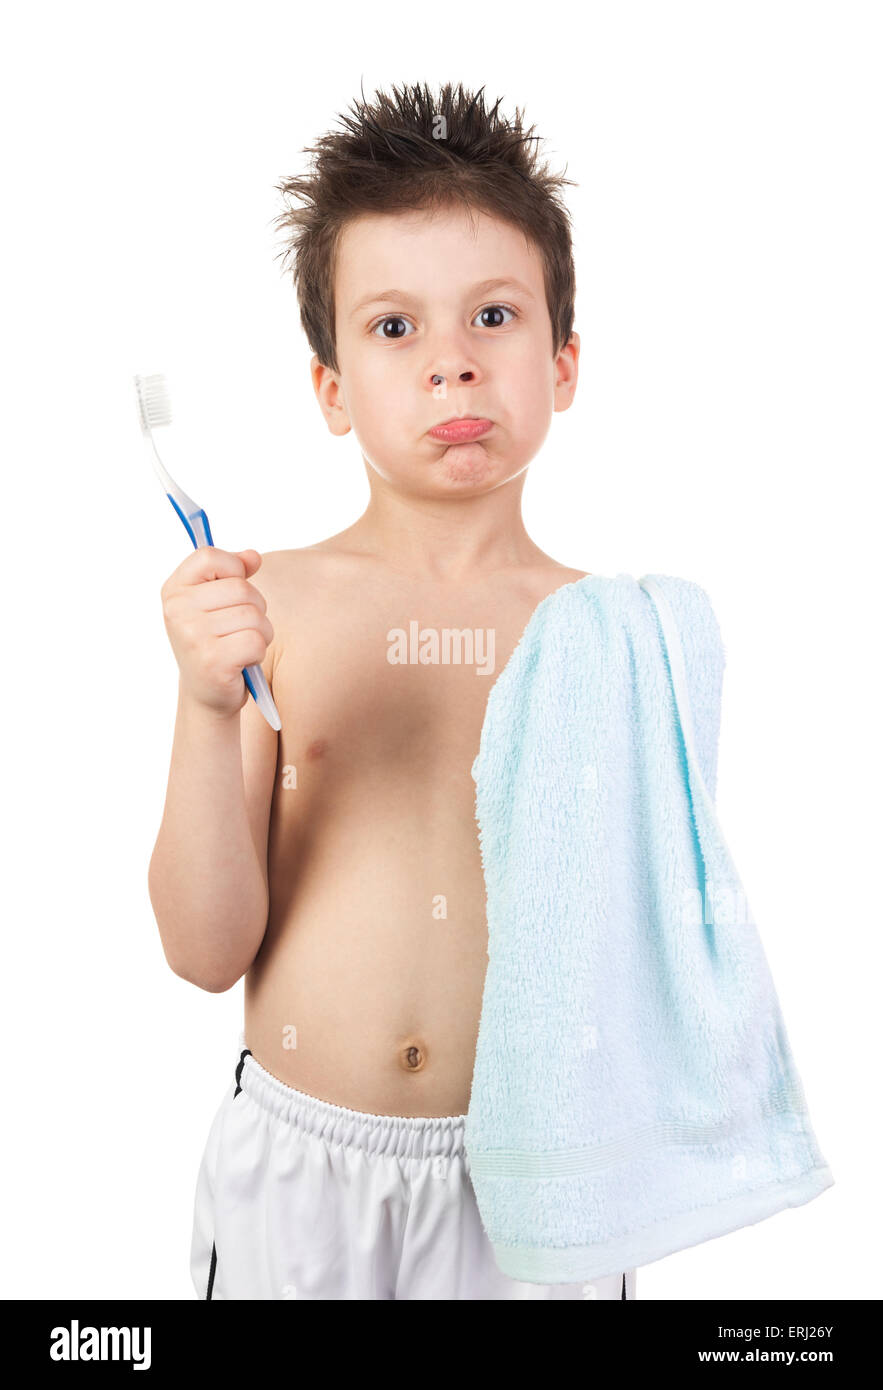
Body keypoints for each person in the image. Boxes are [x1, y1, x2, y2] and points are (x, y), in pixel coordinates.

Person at [149, 79, 636, 1300]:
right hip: (302, 1183)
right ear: (329, 390)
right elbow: (204, 951)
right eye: (393, 328)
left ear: (563, 363)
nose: (452, 365)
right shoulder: (271, 608)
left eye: (492, 316)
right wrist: (208, 710)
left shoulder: (608, 636)